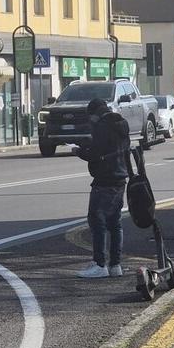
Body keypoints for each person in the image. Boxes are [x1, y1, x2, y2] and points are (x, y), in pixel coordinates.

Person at [74, 98, 131, 278]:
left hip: (104, 179)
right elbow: (114, 148)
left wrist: (79, 151)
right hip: (120, 178)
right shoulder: (122, 124)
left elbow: (96, 154)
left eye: (91, 116)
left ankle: (100, 264)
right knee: (115, 223)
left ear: (95, 113)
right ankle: (115, 265)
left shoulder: (102, 127)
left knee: (97, 220)